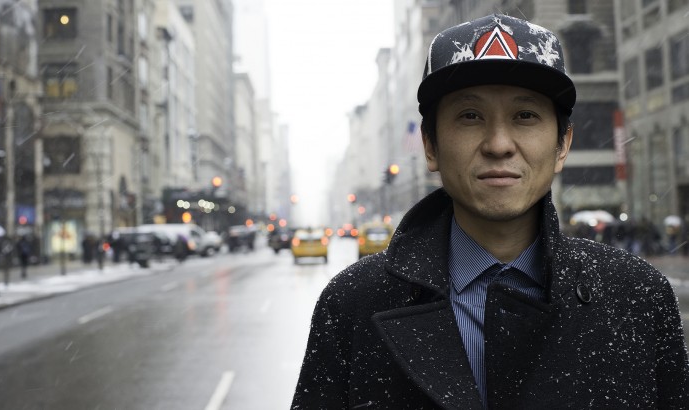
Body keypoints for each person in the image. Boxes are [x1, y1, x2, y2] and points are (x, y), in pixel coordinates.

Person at [291, 14, 689, 409]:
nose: (499, 144)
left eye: (525, 116)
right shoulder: (352, 304)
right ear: (430, 146)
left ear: (562, 145)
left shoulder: (639, 297)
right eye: (470, 116)